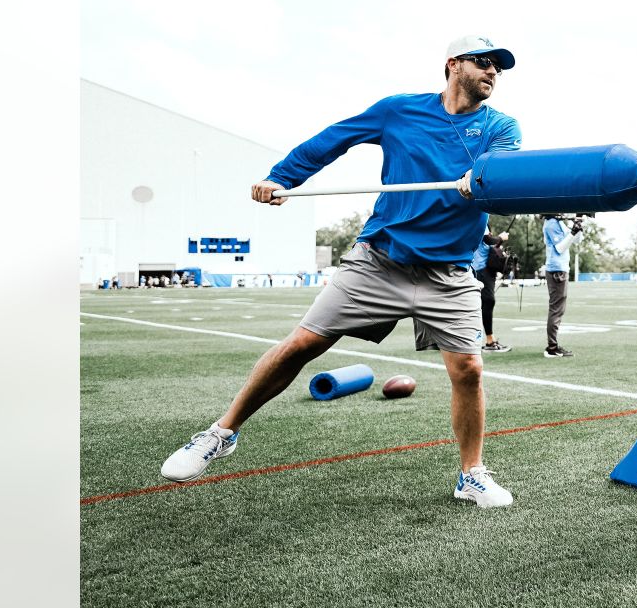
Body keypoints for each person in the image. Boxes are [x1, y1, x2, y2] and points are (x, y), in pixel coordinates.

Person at [160, 34, 522, 508]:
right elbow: (334, 139)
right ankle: (220, 434)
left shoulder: (502, 127)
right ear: (453, 64)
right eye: (484, 62)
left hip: (449, 273)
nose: (493, 71)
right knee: (302, 345)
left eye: (499, 66)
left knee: (469, 370)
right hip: (380, 258)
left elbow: (505, 174)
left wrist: (487, 184)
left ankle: (471, 474)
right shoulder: (399, 110)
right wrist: (283, 178)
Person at [543, 214, 583, 358]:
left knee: (558, 309)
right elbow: (560, 248)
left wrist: (578, 228)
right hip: (556, 269)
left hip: (560, 268)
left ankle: (552, 345)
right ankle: (552, 347)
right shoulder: (551, 223)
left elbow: (576, 241)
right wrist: (572, 231)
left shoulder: (559, 222)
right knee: (556, 309)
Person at [472, 227, 512, 353]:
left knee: (485, 302)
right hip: (481, 267)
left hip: (486, 267)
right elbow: (488, 240)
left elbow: (486, 244)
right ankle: (489, 341)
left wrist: (499, 241)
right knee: (488, 301)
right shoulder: (480, 214)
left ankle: (488, 340)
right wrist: (501, 238)